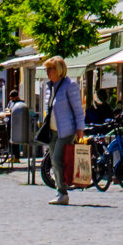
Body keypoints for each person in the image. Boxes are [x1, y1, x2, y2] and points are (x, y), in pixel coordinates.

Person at [43, 55, 84, 205]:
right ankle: (60, 191)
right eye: (46, 69)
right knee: (54, 162)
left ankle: (62, 192)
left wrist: (80, 128)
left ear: (59, 70)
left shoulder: (69, 85)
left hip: (66, 130)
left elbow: (78, 109)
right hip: (52, 130)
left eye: (50, 69)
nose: (47, 72)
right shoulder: (49, 87)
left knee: (56, 159)